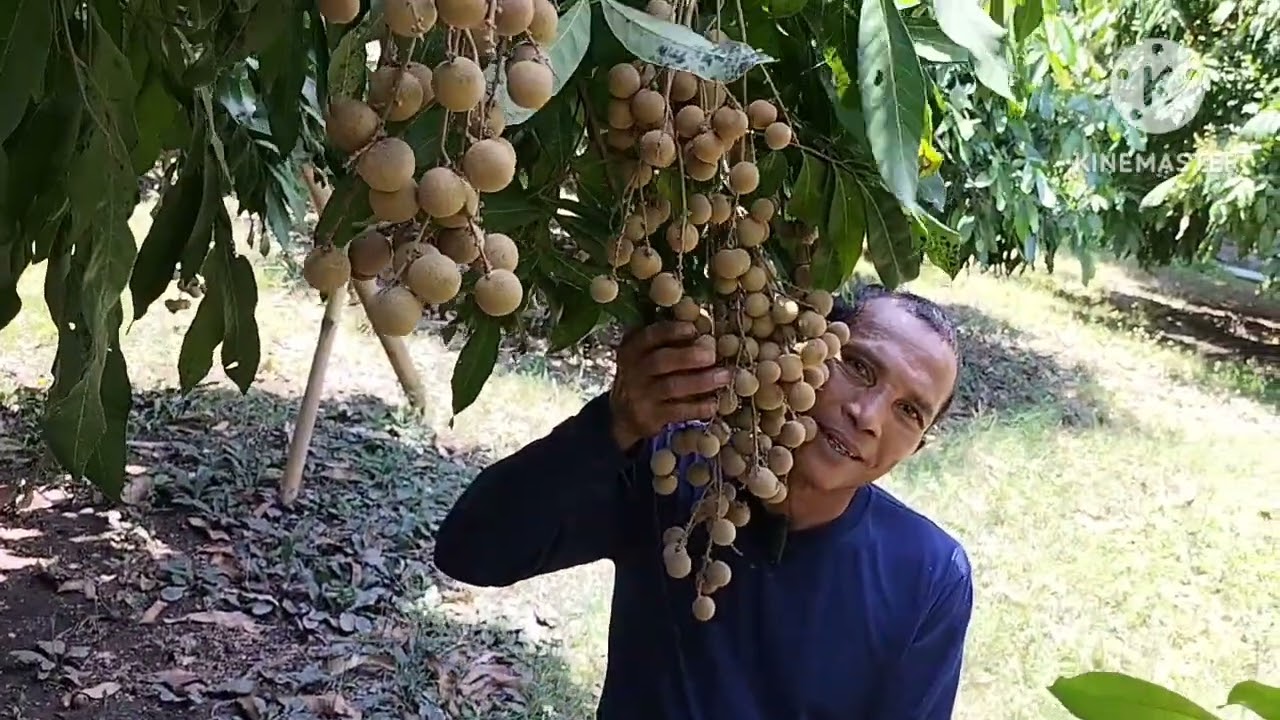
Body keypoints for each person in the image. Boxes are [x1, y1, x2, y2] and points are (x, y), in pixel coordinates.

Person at [433, 282, 973, 720]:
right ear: (807, 351)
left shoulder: (929, 575)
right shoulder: (678, 468)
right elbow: (472, 553)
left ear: (917, 445)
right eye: (859, 367)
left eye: (908, 412)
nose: (868, 416)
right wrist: (614, 425)